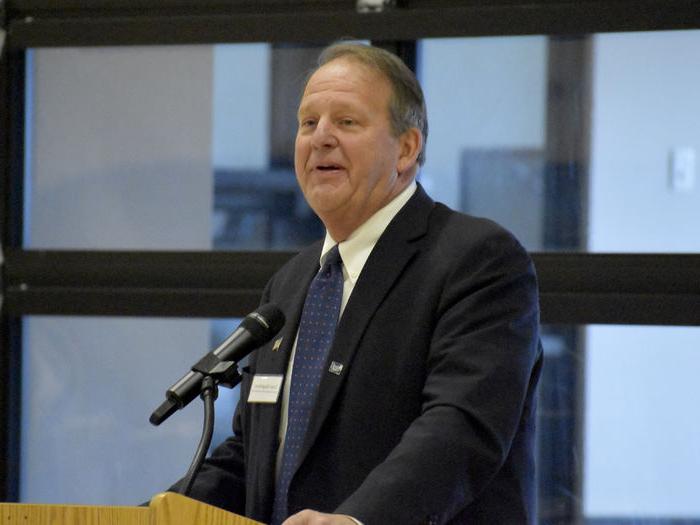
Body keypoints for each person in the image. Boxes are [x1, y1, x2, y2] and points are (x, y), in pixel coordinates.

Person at [170, 42, 542, 525]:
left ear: (406, 148)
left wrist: (360, 519)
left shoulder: (476, 260)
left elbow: (459, 428)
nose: (320, 137)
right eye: (308, 123)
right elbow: (251, 456)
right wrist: (161, 513)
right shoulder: (290, 284)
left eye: (346, 122)